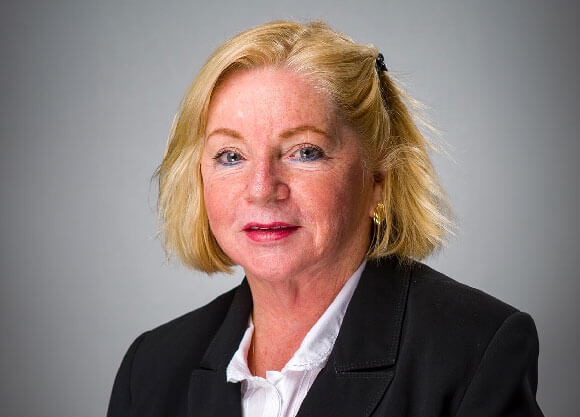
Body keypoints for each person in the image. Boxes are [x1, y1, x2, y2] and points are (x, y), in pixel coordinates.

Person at [107, 20, 544, 417]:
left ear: (378, 177)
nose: (261, 188)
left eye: (305, 152)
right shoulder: (151, 367)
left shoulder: (475, 351)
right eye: (231, 156)